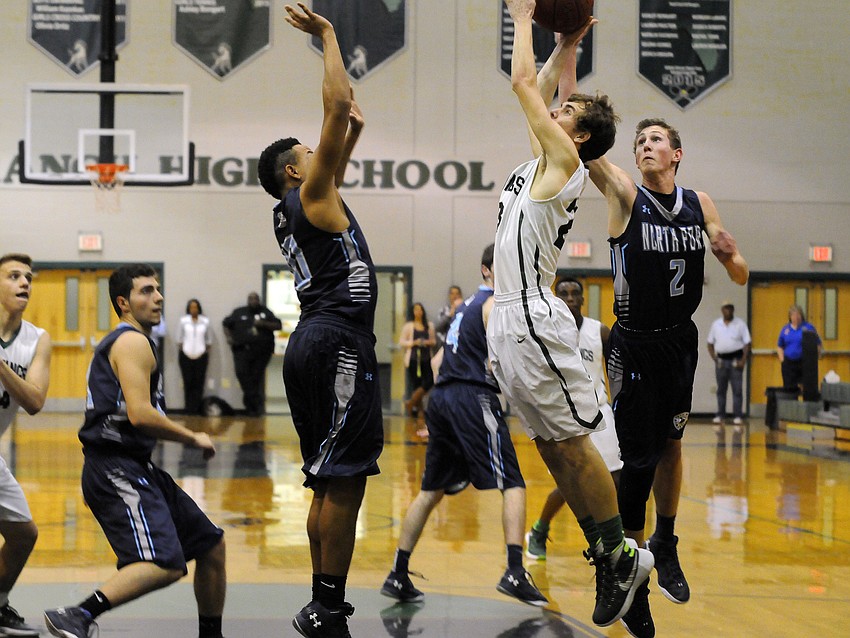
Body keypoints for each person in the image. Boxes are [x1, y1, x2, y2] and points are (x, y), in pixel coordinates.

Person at [488, 2, 653, 629]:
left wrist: (522, 17)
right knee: (551, 449)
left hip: (533, 317)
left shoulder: (564, 165)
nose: (554, 111)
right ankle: (603, 551)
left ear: (578, 138)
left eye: (566, 115)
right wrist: (568, 42)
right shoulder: (547, 157)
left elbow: (523, 83)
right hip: (508, 323)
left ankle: (622, 554)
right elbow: (546, 87)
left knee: (576, 446)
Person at [587, 116, 749, 637]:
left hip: (680, 340)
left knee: (673, 445)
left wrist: (729, 255)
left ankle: (666, 541)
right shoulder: (624, 193)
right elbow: (583, 147)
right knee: (638, 464)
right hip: (634, 343)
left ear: (677, 154)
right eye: (639, 141)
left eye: (655, 139)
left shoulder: (700, 203)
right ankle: (631, 580)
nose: (644, 146)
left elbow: (741, 273)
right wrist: (568, 87)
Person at [256, 5, 384, 636]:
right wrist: (330, 35)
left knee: (327, 481)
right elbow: (335, 107)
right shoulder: (310, 193)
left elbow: (338, 143)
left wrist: (349, 135)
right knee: (345, 481)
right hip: (338, 341)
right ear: (292, 170)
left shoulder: (303, 202)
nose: (319, 150)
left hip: (315, 339)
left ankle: (321, 602)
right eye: (309, 152)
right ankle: (329, 608)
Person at [44, 264, 226, 638]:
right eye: (146, 291)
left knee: (211, 545)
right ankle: (77, 614)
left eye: (158, 289)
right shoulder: (131, 342)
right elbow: (140, 415)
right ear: (123, 303)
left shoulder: (135, 341)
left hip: (134, 466)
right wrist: (193, 437)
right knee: (164, 563)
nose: (158, 297)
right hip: (116, 469)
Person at [382, 244, 547, 607]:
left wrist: (445, 410)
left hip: (443, 398)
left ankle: (397, 573)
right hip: (472, 396)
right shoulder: (495, 305)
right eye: (504, 263)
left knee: (431, 491)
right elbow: (508, 361)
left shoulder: (463, 308)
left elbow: (437, 362)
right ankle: (515, 571)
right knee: (513, 482)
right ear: (487, 269)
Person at [525, 277, 623, 561]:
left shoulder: (599, 331)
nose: (570, 298)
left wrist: (621, 403)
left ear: (582, 299)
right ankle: (540, 529)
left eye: (574, 293)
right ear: (556, 299)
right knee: (573, 482)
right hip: (566, 417)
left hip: (600, 411)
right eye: (564, 293)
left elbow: (616, 370)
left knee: (616, 478)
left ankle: (613, 538)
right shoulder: (547, 332)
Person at [0, 253, 51, 637]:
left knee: (23, 534)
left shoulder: (37, 339)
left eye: (28, 278)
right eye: (14, 276)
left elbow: (34, 401)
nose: (24, 283)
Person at [222, 292, 281, 416]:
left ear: (259, 300)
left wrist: (264, 324)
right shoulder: (239, 312)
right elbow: (226, 323)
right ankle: (253, 403)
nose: (254, 301)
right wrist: (229, 338)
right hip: (241, 351)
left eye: (256, 299)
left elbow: (278, 325)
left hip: (262, 353)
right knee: (242, 374)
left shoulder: (266, 312)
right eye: (251, 299)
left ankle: (253, 409)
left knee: (256, 378)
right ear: (248, 300)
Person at [706, 301, 751, 433]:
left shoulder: (740, 324)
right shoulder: (716, 325)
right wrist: (715, 358)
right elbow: (710, 343)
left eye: (730, 308)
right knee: (721, 389)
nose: (728, 311)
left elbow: (747, 343)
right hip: (721, 361)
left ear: (733, 310)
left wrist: (743, 360)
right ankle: (720, 415)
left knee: (737, 389)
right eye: (726, 308)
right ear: (722, 310)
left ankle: (738, 416)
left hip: (735, 360)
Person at [399, 302, 436, 420]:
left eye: (420, 310)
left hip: (426, 358)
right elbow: (402, 342)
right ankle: (419, 411)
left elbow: (433, 341)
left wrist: (427, 342)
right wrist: (414, 343)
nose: (418, 312)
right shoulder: (409, 326)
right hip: (414, 358)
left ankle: (411, 402)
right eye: (416, 310)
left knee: (429, 381)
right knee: (416, 383)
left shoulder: (429, 325)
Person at [177, 298, 213, 415]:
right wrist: (184, 349)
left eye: (196, 307)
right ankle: (188, 409)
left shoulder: (205, 321)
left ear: (199, 308)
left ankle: (197, 408)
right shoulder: (183, 321)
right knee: (188, 382)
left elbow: (209, 340)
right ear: (188, 309)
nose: (194, 309)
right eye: (191, 307)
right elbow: (179, 338)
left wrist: (204, 351)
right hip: (186, 355)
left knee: (199, 382)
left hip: (201, 356)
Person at [777, 304, 821, 391]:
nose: (796, 317)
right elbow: (780, 346)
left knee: (807, 388)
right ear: (790, 317)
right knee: (789, 389)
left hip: (804, 363)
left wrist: (816, 357)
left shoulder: (808, 327)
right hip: (789, 363)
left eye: (798, 315)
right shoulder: (785, 329)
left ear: (802, 316)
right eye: (793, 315)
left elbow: (817, 343)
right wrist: (783, 360)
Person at [434, 285, 463, 350]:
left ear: (460, 296)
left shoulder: (466, 310)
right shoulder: (444, 310)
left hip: (461, 343)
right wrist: (449, 315)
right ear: (449, 296)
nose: (454, 296)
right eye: (452, 294)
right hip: (446, 344)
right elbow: (438, 327)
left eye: (457, 294)